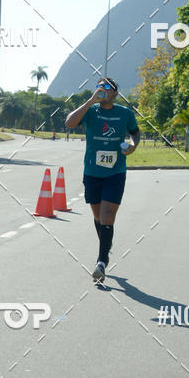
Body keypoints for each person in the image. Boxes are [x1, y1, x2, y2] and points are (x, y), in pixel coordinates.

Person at [65, 78, 140, 283]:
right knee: (98, 217)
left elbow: (135, 132)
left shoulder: (124, 113)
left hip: (115, 173)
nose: (103, 90)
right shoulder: (90, 111)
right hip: (92, 172)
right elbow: (70, 123)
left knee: (107, 216)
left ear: (115, 93)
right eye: (100, 86)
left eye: (108, 87)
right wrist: (90, 101)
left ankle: (101, 262)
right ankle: (106, 247)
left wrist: (133, 146)